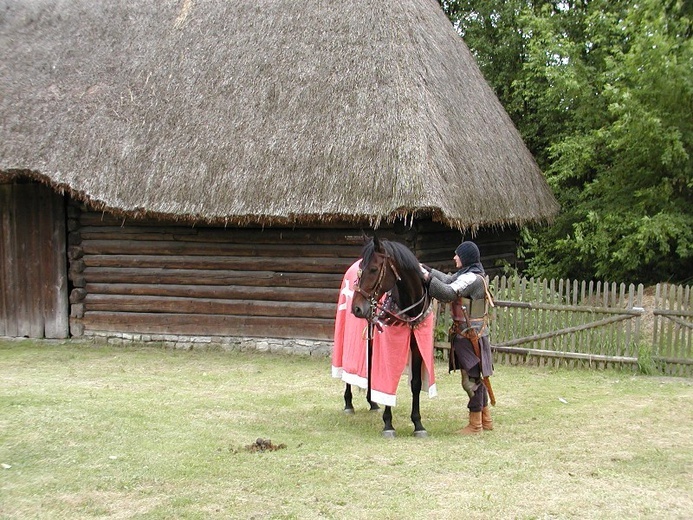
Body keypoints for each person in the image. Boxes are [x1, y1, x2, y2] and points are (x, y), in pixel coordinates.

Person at [422, 241, 495, 435]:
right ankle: (485, 419)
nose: (454, 257)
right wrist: (427, 270)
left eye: (457, 255)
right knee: (475, 379)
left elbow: (447, 293)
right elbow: (448, 280)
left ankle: (475, 425)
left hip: (471, 335)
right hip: (469, 333)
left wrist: (427, 279)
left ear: (466, 258)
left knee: (470, 381)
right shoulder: (469, 275)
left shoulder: (472, 278)